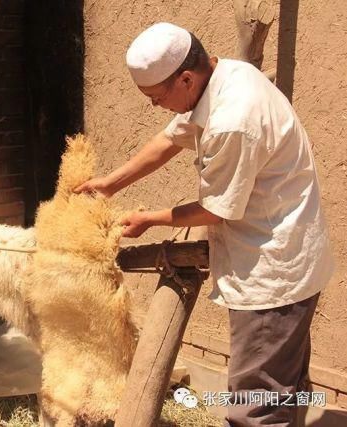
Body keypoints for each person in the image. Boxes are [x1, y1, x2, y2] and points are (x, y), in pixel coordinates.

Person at [75, 23, 334, 426]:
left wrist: (149, 219)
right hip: (287, 254)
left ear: (185, 78)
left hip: (272, 274)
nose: (155, 105)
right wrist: (111, 184)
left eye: (157, 97)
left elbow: (217, 210)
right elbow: (169, 139)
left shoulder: (233, 117)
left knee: (256, 407)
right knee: (283, 389)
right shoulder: (227, 75)